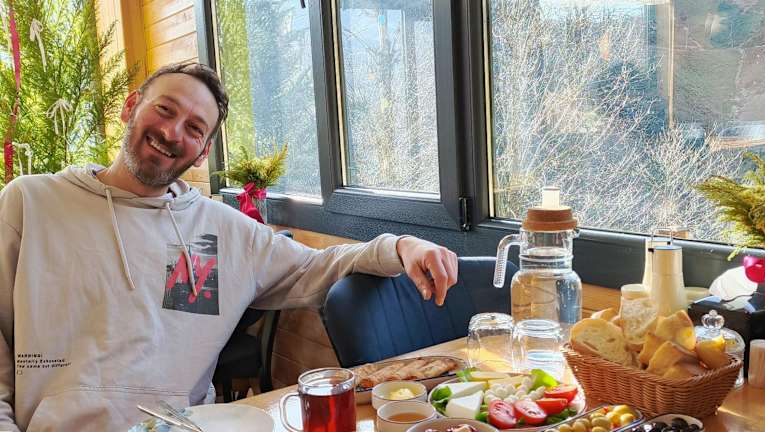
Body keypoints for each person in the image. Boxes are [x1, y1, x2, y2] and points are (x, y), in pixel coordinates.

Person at [0, 62, 458, 431]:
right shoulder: (30, 203)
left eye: (194, 128)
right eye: (164, 110)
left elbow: (316, 268)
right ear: (131, 106)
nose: (173, 132)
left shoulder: (224, 230)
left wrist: (401, 245)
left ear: (203, 151)